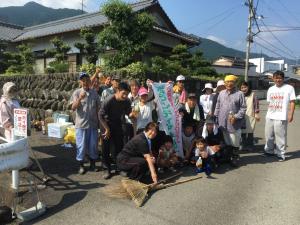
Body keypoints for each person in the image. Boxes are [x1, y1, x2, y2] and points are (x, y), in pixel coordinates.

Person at [99, 82, 132, 179]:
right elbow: (100, 115)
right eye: (123, 93)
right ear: (117, 90)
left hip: (117, 123)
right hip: (105, 124)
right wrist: (107, 129)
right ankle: (106, 169)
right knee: (106, 147)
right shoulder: (109, 100)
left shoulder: (126, 101)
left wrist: (132, 114)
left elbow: (128, 112)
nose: (125, 96)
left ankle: (119, 168)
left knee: (119, 146)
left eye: (127, 94)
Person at [70, 72, 101, 175]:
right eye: (83, 80)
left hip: (93, 124)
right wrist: (80, 98)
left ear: (89, 81)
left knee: (93, 145)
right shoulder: (77, 92)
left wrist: (100, 123)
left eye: (87, 80)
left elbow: (98, 108)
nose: (85, 82)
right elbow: (73, 107)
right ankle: (81, 165)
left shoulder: (94, 93)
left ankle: (93, 164)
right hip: (81, 125)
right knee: (81, 146)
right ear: (80, 82)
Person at [214, 74, 246, 167]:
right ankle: (228, 157)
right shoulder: (221, 93)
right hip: (222, 122)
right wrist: (215, 116)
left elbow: (243, 108)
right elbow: (218, 105)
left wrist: (236, 117)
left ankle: (235, 157)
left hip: (234, 123)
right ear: (224, 83)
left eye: (231, 81)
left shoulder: (239, 94)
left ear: (235, 83)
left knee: (234, 141)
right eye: (227, 81)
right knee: (227, 141)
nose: (229, 83)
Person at [264, 70, 296, 161]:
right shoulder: (271, 89)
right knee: (268, 135)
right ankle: (269, 151)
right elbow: (270, 103)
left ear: (283, 79)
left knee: (280, 136)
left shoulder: (289, 88)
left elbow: (292, 102)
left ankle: (280, 154)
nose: (278, 80)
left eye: (280, 78)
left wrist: (291, 114)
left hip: (281, 116)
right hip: (270, 115)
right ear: (273, 78)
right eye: (276, 78)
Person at [240, 81, 260, 150]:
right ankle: (243, 145)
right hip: (242, 117)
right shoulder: (240, 95)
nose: (243, 89)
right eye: (242, 87)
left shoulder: (253, 95)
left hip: (251, 115)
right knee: (242, 132)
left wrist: (256, 113)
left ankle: (250, 146)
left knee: (250, 132)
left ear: (248, 87)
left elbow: (256, 105)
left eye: (245, 87)